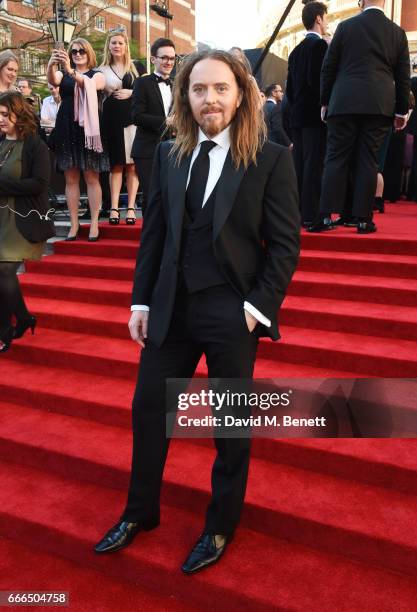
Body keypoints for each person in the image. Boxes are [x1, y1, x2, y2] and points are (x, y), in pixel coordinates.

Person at [94, 49, 300, 573]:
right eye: (199, 89)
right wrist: (141, 299)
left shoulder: (270, 157)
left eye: (220, 88)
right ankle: (140, 511)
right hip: (171, 308)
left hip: (233, 313)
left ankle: (220, 524)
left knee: (229, 423)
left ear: (239, 94)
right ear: (184, 96)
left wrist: (257, 308)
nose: (210, 99)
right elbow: (155, 235)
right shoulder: (169, 155)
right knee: (148, 413)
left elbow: (284, 245)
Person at [309, 0, 410, 234]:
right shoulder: (397, 33)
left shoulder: (345, 27)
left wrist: (325, 101)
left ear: (362, 2)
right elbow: (403, 76)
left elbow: (329, 67)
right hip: (378, 105)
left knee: (335, 158)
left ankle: (324, 216)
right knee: (368, 160)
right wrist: (401, 110)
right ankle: (363, 219)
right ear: (384, 2)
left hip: (343, 102)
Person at [0, 91, 54, 353]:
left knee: (5, 272)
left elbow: (40, 184)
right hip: (1, 219)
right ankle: (8, 328)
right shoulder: (0, 142)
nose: (0, 119)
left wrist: (3, 184)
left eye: (4, 114)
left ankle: (21, 319)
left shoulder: (35, 145)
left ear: (18, 113)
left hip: (23, 220)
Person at [47, 38, 110, 241]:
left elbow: (92, 85)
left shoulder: (97, 74)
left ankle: (93, 223)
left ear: (89, 52)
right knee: (70, 178)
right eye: (74, 51)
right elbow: (52, 80)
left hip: (88, 129)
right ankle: (74, 223)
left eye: (82, 50)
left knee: (92, 176)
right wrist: (51, 64)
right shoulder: (63, 72)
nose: (77, 54)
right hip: (66, 126)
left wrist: (70, 70)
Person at [286, 1, 329, 226]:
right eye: (326, 17)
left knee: (300, 167)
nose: (327, 22)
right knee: (313, 165)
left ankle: (300, 214)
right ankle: (312, 216)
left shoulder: (294, 52)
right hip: (314, 117)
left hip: (297, 118)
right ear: (319, 19)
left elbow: (290, 91)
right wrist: (325, 104)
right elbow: (317, 82)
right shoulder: (320, 47)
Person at [100, 28, 143, 226]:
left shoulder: (137, 67)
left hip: (133, 122)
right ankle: (114, 208)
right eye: (113, 42)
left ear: (126, 46)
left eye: (120, 42)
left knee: (132, 166)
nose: (117, 46)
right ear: (108, 46)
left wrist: (131, 93)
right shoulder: (101, 70)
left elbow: (146, 94)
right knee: (116, 165)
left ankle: (132, 207)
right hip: (111, 122)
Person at [131, 38, 175, 218]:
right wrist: (167, 122)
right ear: (153, 59)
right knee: (151, 195)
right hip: (147, 148)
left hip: (172, 148)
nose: (169, 62)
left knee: (170, 195)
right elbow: (136, 116)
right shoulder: (142, 83)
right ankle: (150, 240)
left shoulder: (177, 84)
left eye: (172, 58)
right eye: (164, 57)